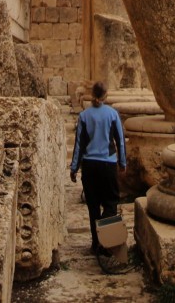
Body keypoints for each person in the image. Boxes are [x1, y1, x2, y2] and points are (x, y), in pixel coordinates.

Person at [70, 81, 126, 254]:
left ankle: (96, 243)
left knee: (93, 206)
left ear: (93, 94)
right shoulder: (113, 114)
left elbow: (79, 144)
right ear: (106, 95)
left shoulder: (85, 116)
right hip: (108, 164)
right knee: (110, 203)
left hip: (89, 166)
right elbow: (120, 141)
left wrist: (74, 168)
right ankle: (106, 243)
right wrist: (122, 163)